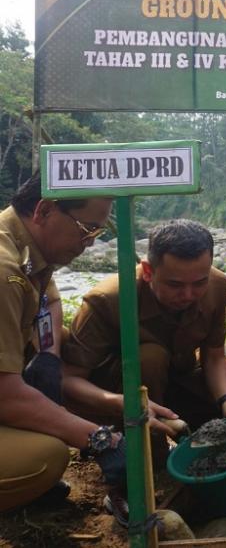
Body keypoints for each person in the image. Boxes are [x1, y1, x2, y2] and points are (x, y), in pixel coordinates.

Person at [62, 220, 226, 450]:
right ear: (149, 271)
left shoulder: (216, 285)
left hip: (176, 381)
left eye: (199, 283)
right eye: (175, 285)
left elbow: (214, 357)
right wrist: (124, 403)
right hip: (119, 397)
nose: (188, 295)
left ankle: (189, 435)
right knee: (150, 357)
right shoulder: (108, 300)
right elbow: (69, 380)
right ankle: (148, 453)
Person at [0, 175, 126, 515]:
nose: (90, 242)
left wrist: (49, 356)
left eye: (97, 233)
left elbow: (50, 301)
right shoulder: (4, 270)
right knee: (45, 458)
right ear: (44, 210)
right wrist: (100, 439)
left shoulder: (28, 247)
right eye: (86, 229)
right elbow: (5, 394)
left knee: (68, 345)